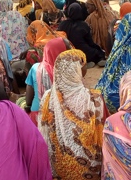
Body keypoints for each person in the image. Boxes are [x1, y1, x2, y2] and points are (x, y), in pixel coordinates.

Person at [38, 49, 106, 179]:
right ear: (76, 70)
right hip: (90, 170)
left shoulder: (47, 97)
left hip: (59, 167)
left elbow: (44, 133)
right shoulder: (94, 99)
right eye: (83, 65)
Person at [24, 38, 68, 125]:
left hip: (38, 116)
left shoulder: (35, 68)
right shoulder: (69, 71)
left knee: (20, 102)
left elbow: (28, 100)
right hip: (63, 117)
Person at [58, 4, 105, 68]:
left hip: (68, 53)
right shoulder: (83, 25)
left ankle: (81, 62)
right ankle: (96, 60)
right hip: (82, 52)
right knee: (97, 51)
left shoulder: (62, 24)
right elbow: (90, 42)